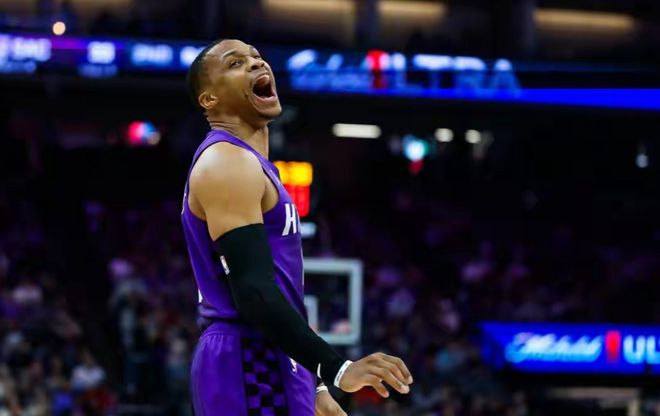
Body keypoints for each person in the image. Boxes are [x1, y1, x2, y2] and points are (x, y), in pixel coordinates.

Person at [181, 39, 413, 416]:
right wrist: (337, 369)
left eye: (257, 57)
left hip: (271, 355)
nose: (257, 64)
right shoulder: (226, 161)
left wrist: (314, 383)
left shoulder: (252, 165)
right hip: (247, 357)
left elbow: (277, 288)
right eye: (236, 63)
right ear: (209, 99)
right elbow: (253, 291)